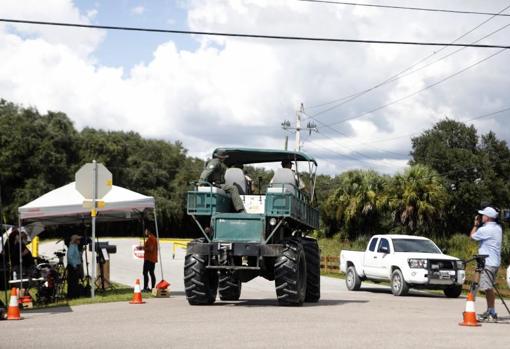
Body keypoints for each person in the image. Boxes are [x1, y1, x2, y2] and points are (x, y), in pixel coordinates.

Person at [470, 206, 502, 322]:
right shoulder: (498, 228)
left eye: (483, 215)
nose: (481, 216)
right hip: (494, 262)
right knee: (489, 287)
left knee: (487, 288)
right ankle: (490, 310)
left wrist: (476, 225)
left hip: (487, 263)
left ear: (487, 217)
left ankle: (491, 312)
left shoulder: (485, 230)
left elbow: (472, 237)